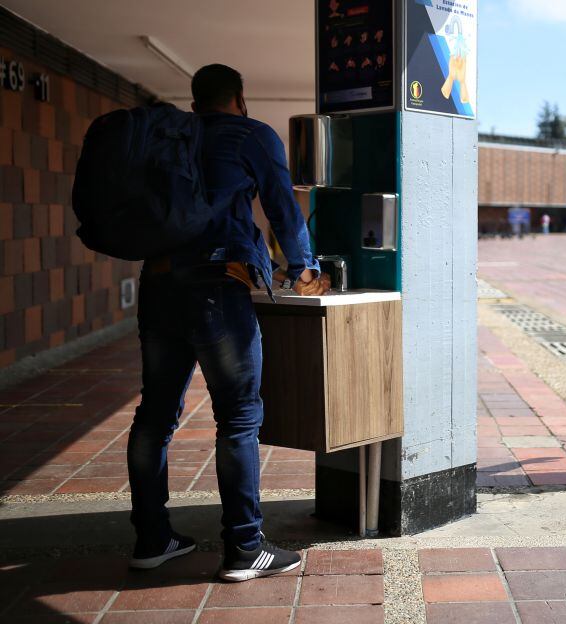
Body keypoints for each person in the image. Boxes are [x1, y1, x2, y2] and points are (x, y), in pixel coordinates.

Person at [127, 64, 330, 581]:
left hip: (158, 283)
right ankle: (244, 547)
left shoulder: (169, 137)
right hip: (217, 286)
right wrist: (303, 268)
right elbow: (282, 207)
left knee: (155, 416)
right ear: (240, 98)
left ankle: (151, 539)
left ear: (195, 102)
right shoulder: (250, 134)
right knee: (238, 417)